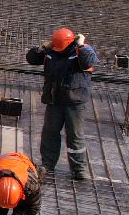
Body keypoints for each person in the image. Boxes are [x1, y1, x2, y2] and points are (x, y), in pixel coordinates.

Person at [26, 27, 96, 180]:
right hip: (55, 100)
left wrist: (82, 45)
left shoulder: (81, 53)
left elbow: (89, 61)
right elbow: (31, 59)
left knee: (75, 136)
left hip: (74, 102)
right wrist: (40, 49)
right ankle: (48, 165)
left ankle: (79, 169)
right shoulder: (52, 52)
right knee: (50, 133)